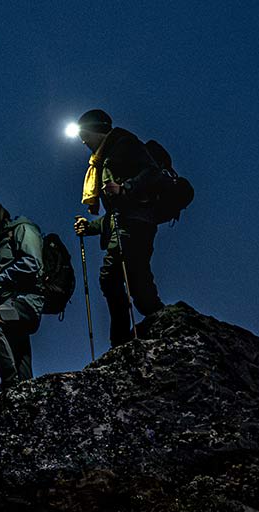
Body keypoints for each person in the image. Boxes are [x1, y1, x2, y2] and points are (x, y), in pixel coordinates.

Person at [71, 108, 168, 347]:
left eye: (85, 134)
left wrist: (125, 188)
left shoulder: (125, 144)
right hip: (128, 222)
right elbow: (114, 212)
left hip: (136, 223)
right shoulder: (105, 157)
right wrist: (90, 227)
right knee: (134, 277)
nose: (83, 140)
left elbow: (153, 172)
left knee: (115, 276)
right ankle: (155, 320)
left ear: (97, 131)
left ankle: (127, 336)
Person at [0, 199, 71, 392]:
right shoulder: (1, 250)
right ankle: (24, 395)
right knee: (19, 355)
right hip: (10, 305)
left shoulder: (23, 229)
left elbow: (32, 263)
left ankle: (10, 385)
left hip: (26, 302)